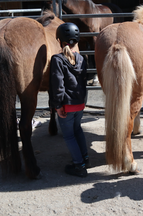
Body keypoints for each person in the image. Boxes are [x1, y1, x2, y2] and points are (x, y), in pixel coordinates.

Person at [48, 22, 90, 177]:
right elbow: (84, 82)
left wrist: (57, 105)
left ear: (59, 41)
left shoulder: (57, 60)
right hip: (79, 104)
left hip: (67, 105)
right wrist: (84, 101)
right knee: (77, 130)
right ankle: (85, 159)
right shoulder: (81, 58)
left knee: (69, 135)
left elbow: (58, 85)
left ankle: (79, 166)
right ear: (76, 41)